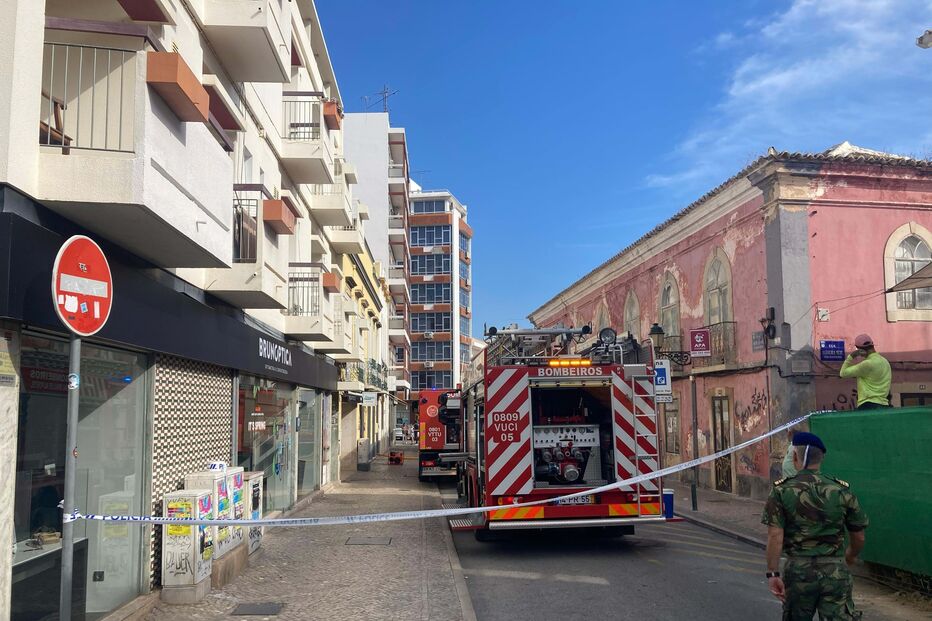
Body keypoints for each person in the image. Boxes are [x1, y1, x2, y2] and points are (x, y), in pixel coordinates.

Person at [762, 432, 869, 620]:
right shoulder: (840, 490)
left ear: (795, 456)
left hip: (798, 572)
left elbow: (775, 536)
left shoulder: (781, 491)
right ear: (822, 458)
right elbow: (859, 536)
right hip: (835, 571)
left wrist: (773, 573)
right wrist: (849, 557)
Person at [839, 334, 891, 410]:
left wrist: (851, 356)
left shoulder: (866, 364)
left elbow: (843, 373)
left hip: (868, 405)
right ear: (873, 345)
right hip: (884, 405)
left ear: (860, 350)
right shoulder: (885, 362)